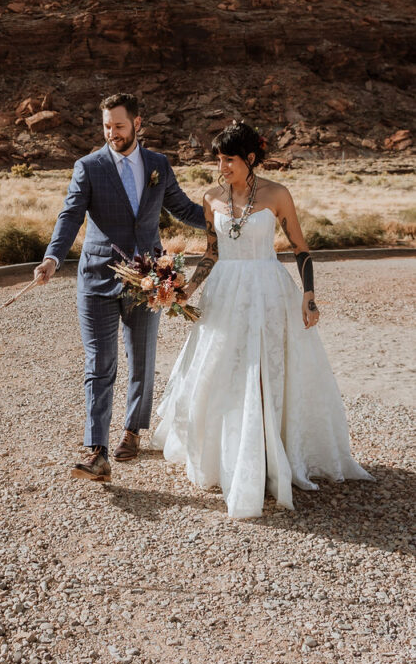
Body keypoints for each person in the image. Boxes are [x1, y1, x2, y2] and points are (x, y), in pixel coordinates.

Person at [151, 120, 372, 518]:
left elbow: (302, 250)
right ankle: (228, 457)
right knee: (223, 371)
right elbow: (212, 253)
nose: (223, 168)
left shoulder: (277, 195)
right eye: (219, 160)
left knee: (266, 371)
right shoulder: (210, 197)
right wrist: (188, 290)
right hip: (224, 295)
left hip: (269, 293)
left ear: (250, 158)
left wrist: (309, 296)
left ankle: (273, 457)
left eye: (229, 160)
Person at [34, 93, 205, 482]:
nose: (113, 133)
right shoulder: (88, 167)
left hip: (149, 279)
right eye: (107, 126)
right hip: (97, 277)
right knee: (100, 363)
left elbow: (182, 208)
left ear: (138, 124)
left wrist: (222, 221)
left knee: (141, 360)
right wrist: (52, 258)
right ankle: (97, 451)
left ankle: (132, 430)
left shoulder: (158, 164)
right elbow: (70, 215)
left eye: (120, 126)